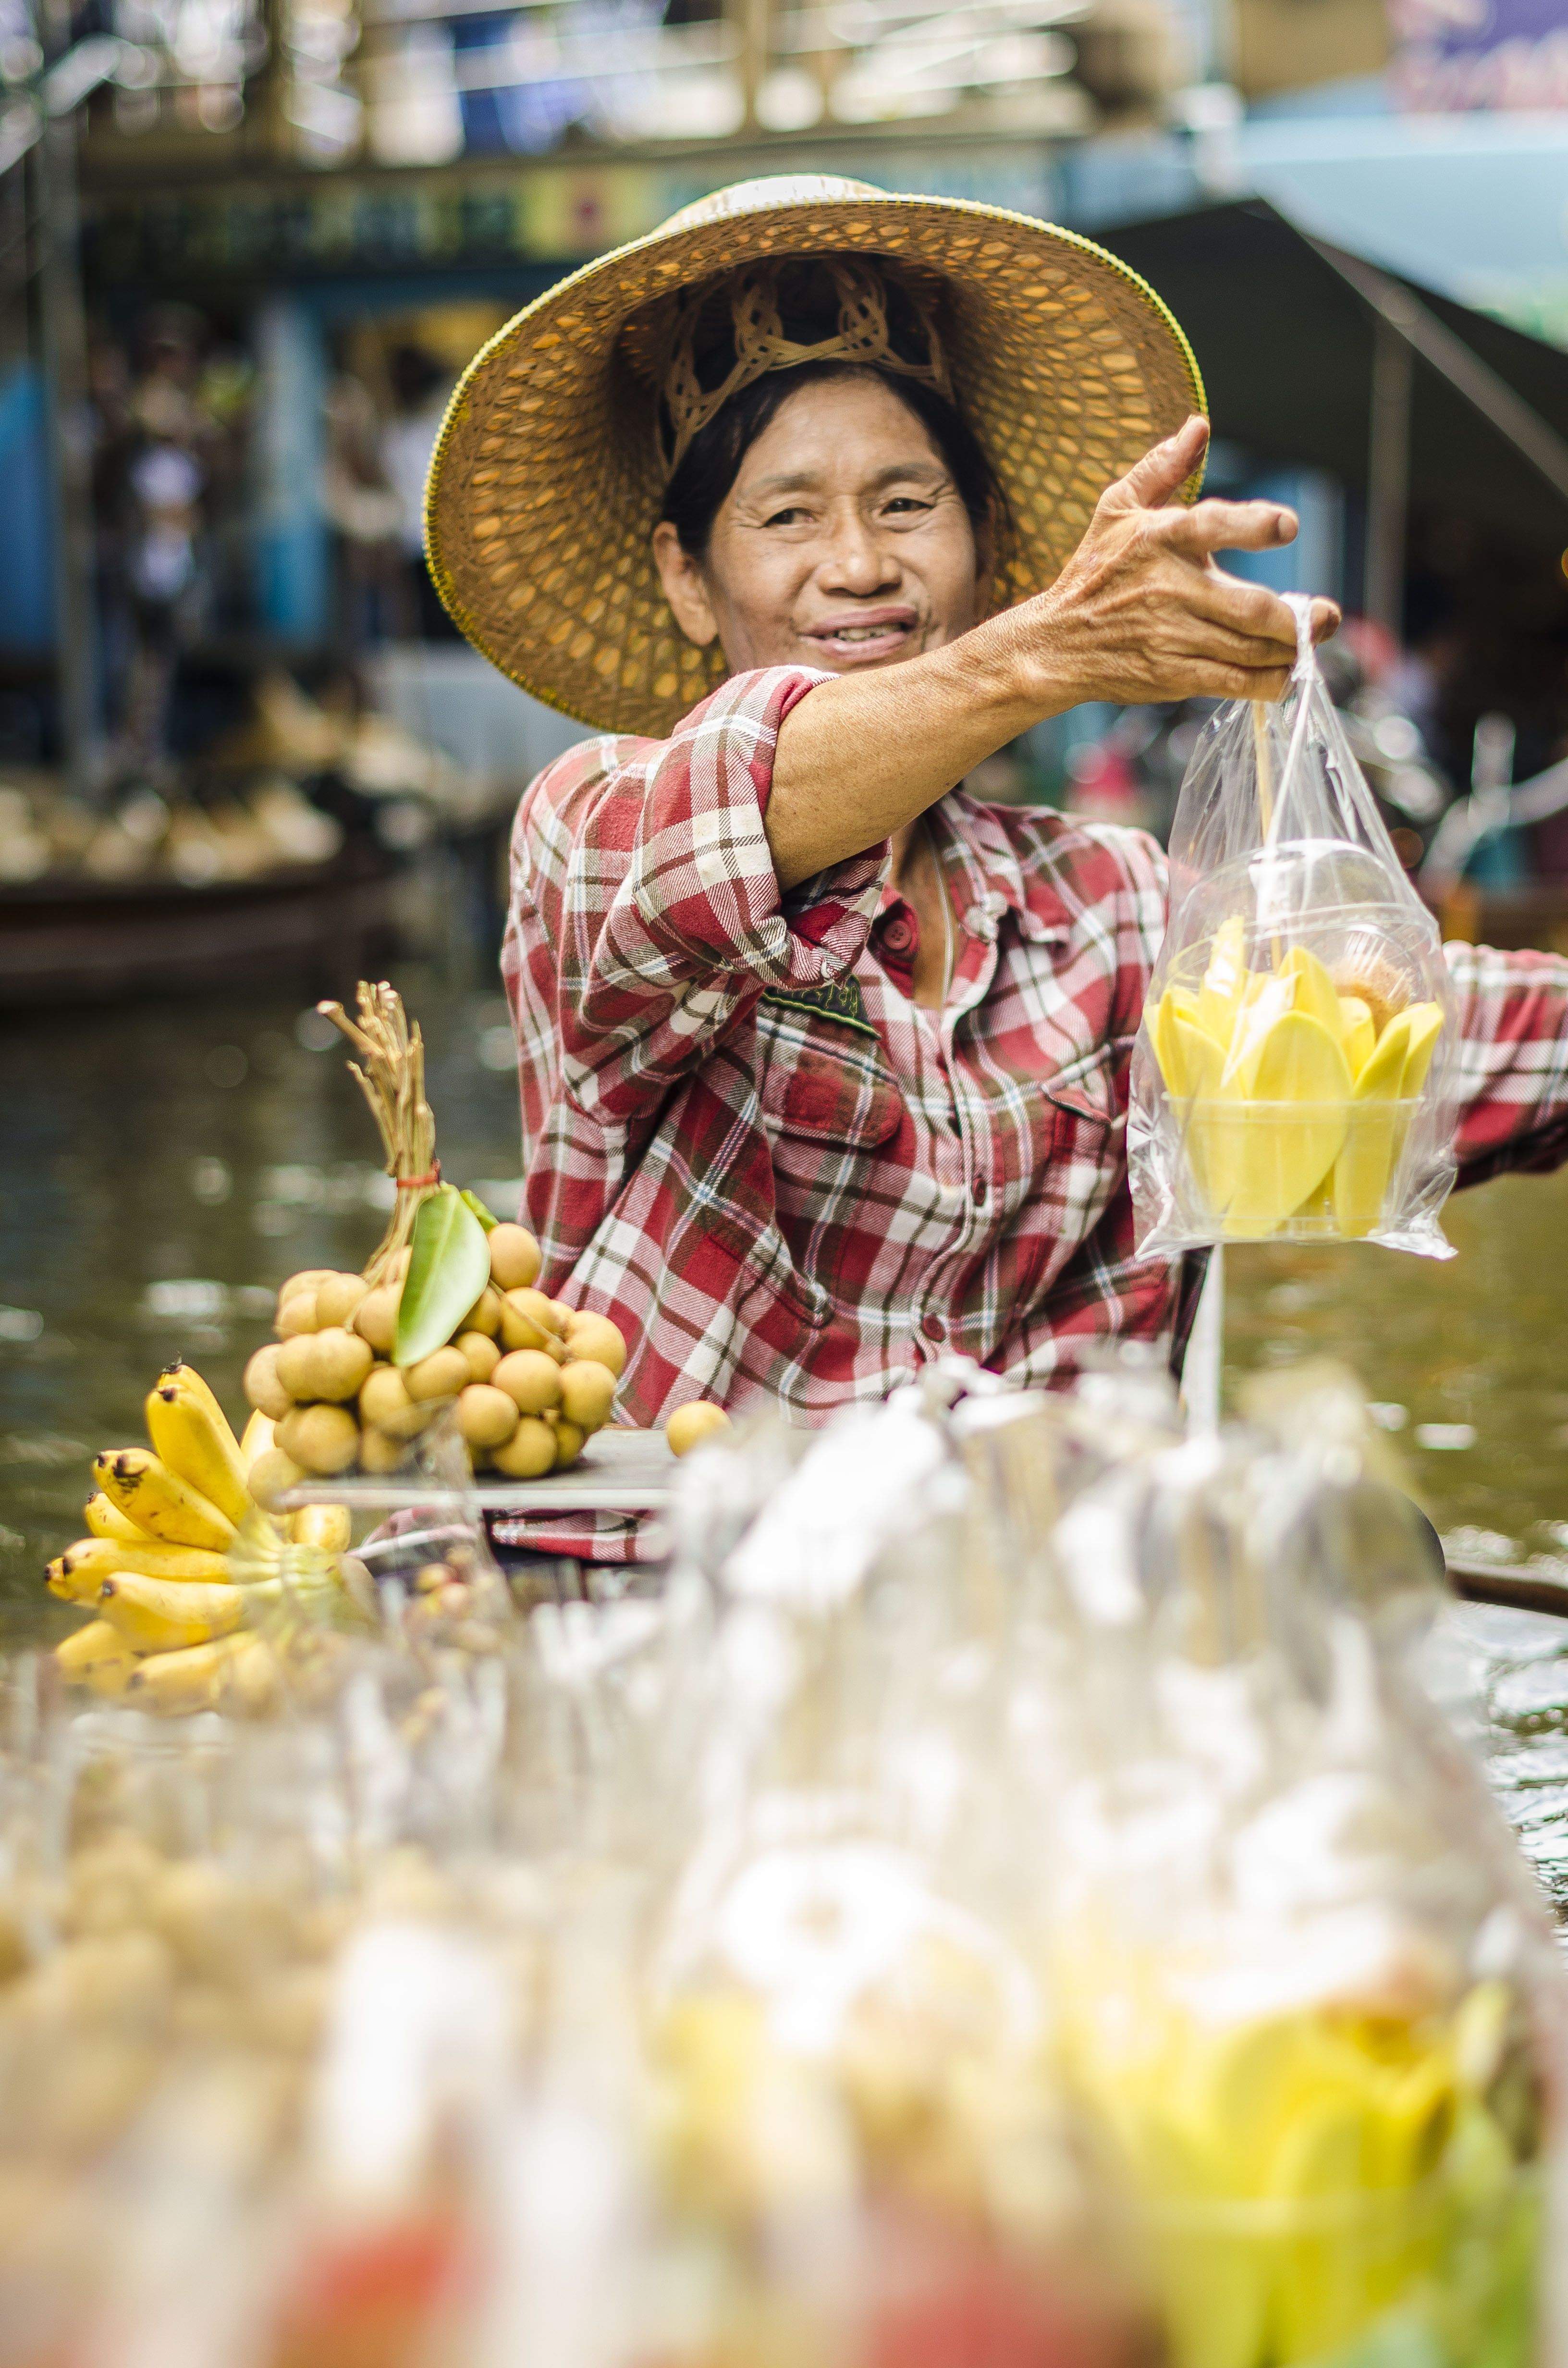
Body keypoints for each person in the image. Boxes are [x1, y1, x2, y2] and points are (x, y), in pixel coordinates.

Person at [426, 176, 1568, 1571]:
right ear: (686, 575)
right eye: (786, 518)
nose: (857, 565)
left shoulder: (1108, 909)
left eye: (908, 503)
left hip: (1024, 1661)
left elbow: (1432, 1034)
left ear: (977, 545)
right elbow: (735, 803)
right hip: (680, 1641)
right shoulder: (591, 834)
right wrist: (1048, 654)